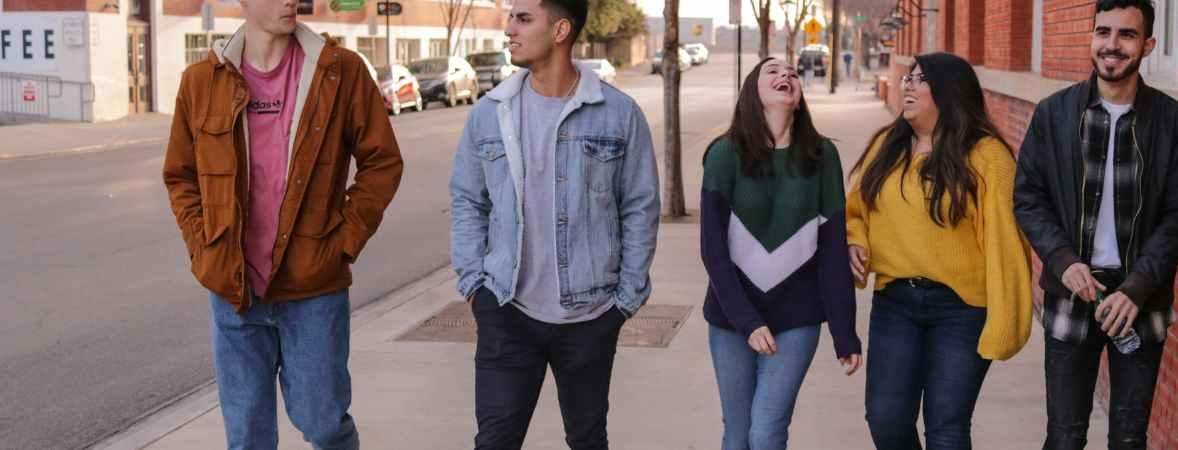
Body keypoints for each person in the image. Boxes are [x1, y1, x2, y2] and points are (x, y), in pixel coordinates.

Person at [161, 0, 404, 448]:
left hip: (314, 287)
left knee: (324, 424)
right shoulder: (201, 81)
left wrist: (344, 242)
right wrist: (204, 246)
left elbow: (382, 162)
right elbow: (181, 175)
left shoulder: (340, 71)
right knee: (247, 436)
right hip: (235, 291)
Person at [448, 0, 660, 448]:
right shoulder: (490, 112)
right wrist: (474, 284)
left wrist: (625, 299)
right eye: (510, 17)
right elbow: (468, 200)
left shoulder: (618, 113)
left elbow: (640, 207)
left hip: (590, 314)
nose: (509, 29)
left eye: (523, 18)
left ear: (561, 30)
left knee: (587, 439)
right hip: (506, 307)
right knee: (495, 441)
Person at [1011, 0, 1178, 448]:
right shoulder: (1053, 114)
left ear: (1148, 45)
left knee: (1129, 438)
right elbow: (1028, 197)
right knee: (1064, 437)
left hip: (1140, 297)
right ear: (1091, 37)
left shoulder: (1175, 123)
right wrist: (1062, 260)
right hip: (1072, 291)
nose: (1112, 45)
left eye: (1126, 35)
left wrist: (1137, 287)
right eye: (1103, 32)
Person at [847, 52, 1033, 450]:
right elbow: (855, 211)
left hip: (962, 310)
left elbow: (1007, 244)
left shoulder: (987, 157)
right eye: (907, 78)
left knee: (947, 428)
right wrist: (855, 241)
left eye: (920, 80)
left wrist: (1006, 321)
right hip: (895, 302)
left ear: (949, 91)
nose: (908, 86)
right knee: (886, 421)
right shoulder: (886, 146)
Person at [700, 57, 863, 450]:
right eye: (772, 71)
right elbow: (713, 250)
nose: (785, 75)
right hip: (732, 318)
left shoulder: (822, 156)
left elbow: (832, 251)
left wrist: (844, 332)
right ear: (752, 91)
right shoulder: (724, 154)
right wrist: (746, 320)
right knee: (737, 436)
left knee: (766, 432)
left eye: (791, 73)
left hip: (796, 318)